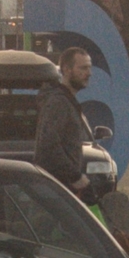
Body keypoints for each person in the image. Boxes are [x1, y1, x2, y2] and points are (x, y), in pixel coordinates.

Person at [33, 47, 93, 195]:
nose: (89, 73)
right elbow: (48, 144)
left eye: (89, 68)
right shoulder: (58, 102)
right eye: (83, 68)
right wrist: (75, 177)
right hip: (55, 190)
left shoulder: (67, 101)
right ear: (66, 70)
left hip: (60, 188)